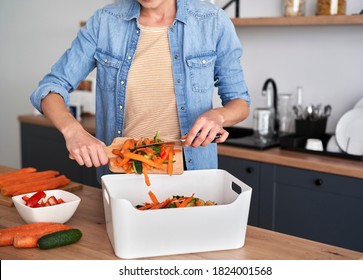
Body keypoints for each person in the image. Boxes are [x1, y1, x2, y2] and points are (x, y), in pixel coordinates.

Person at [30, 0, 250, 183]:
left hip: (194, 179)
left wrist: (218, 116)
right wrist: (73, 131)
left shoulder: (212, 21)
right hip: (120, 180)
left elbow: (240, 103)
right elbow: (50, 88)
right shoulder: (105, 22)